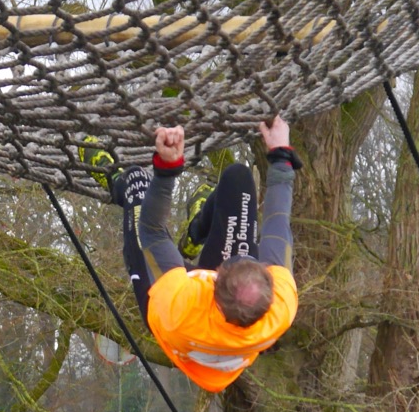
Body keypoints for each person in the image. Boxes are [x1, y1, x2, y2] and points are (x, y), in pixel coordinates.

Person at [83, 117, 301, 394]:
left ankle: (116, 181)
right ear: (269, 285)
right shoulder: (279, 308)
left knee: (137, 183)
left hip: (170, 313)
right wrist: (281, 154)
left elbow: (152, 229)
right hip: (223, 316)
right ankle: (194, 235)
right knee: (238, 178)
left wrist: (167, 168)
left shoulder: (177, 306)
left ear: (215, 278)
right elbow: (277, 223)